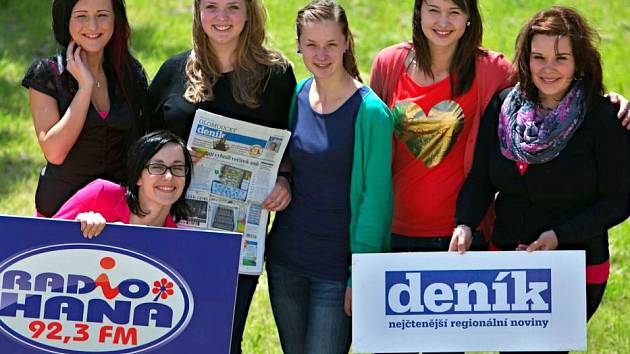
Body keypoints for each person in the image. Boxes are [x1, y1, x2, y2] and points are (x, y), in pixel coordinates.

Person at [452, 7, 629, 353]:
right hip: (507, 263)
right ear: (526, 58)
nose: (548, 68)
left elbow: (619, 201)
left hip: (573, 265)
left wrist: (558, 236)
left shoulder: (604, 119)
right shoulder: (504, 108)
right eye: (539, 57)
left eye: (561, 58)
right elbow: (481, 181)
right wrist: (465, 224)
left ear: (579, 61)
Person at [147, 1, 296, 352]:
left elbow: (293, 144)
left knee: (224, 339)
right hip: (175, 229)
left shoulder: (276, 76)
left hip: (240, 233)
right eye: (211, 6)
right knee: (172, 338)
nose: (222, 16)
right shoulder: (173, 71)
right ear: (199, 12)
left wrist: (285, 180)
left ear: (249, 13)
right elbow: (144, 145)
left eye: (233, 6)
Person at [265, 1, 393, 353]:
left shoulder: (372, 114)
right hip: (286, 260)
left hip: (337, 272)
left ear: (346, 42)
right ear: (298, 45)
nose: (321, 55)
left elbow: (375, 202)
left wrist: (359, 275)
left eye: (331, 45)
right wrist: (284, 181)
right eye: (311, 45)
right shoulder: (299, 93)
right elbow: (289, 162)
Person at [22, 0, 148, 217]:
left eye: (102, 15)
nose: (92, 26)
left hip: (117, 213)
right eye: (81, 16)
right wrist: (85, 88)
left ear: (115, 18)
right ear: (66, 20)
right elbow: (55, 152)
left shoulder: (130, 73)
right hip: (62, 214)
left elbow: (141, 143)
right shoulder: (47, 75)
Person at [54, 130, 193, 236]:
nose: (169, 176)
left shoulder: (175, 239)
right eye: (157, 167)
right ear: (138, 175)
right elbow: (42, 237)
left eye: (178, 168)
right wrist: (75, 229)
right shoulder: (100, 193)